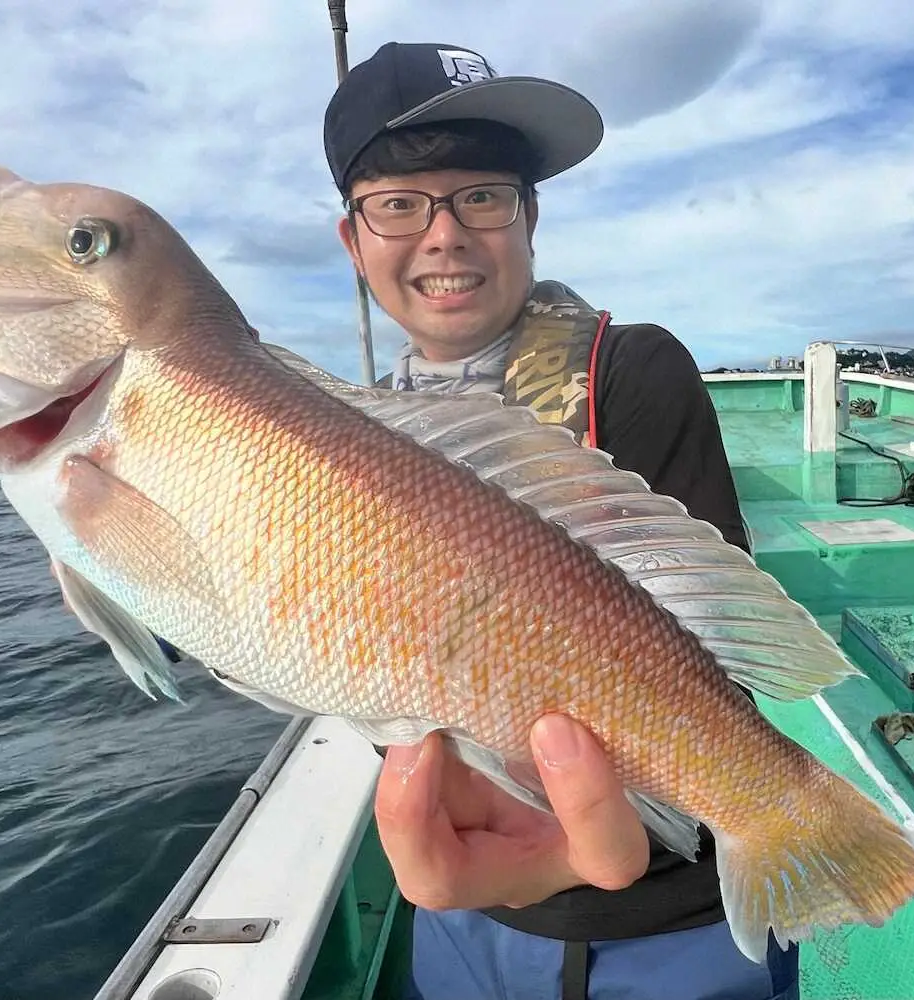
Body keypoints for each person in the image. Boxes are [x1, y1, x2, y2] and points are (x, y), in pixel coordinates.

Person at [321, 41, 799, 1000]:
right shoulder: (348, 442)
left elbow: (708, 655)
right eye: (400, 204)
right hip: (465, 915)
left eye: (483, 197)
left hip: (666, 923)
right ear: (354, 240)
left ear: (529, 217)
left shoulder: (632, 371)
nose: (445, 235)